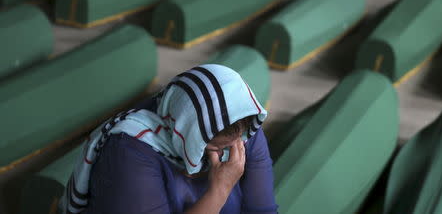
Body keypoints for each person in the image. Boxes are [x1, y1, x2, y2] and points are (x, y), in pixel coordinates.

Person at [60, 64, 278, 214]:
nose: (228, 152)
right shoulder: (130, 150)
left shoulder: (243, 129)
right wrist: (220, 189)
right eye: (213, 147)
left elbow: (262, 210)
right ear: (186, 129)